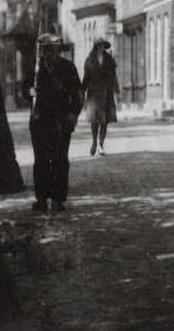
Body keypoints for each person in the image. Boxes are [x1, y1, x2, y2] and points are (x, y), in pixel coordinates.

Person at [29, 33, 83, 213]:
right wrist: (32, 93)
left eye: (51, 49)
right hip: (39, 120)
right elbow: (25, 89)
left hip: (61, 121)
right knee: (41, 160)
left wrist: (73, 115)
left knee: (60, 159)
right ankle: (42, 199)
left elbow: (78, 95)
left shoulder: (67, 68)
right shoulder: (36, 69)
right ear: (41, 50)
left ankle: (58, 199)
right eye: (44, 49)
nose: (47, 53)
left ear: (57, 50)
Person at [81, 37, 118, 156]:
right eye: (99, 45)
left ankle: (101, 145)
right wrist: (81, 92)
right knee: (94, 121)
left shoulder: (109, 60)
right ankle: (94, 143)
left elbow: (113, 77)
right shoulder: (89, 60)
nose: (102, 48)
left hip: (107, 94)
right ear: (96, 46)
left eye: (103, 46)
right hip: (94, 95)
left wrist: (117, 91)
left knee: (104, 121)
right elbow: (86, 78)